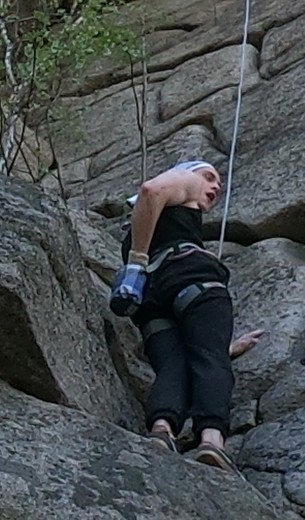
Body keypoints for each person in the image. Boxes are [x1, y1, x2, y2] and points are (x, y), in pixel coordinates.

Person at [108, 159, 259, 467]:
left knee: (172, 366)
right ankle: (212, 440)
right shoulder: (185, 182)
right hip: (195, 282)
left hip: (152, 299)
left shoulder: (141, 225)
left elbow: (188, 355)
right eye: (209, 176)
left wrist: (225, 347)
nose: (215, 185)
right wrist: (137, 259)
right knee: (210, 360)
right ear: (190, 172)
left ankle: (161, 431)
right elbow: (152, 189)